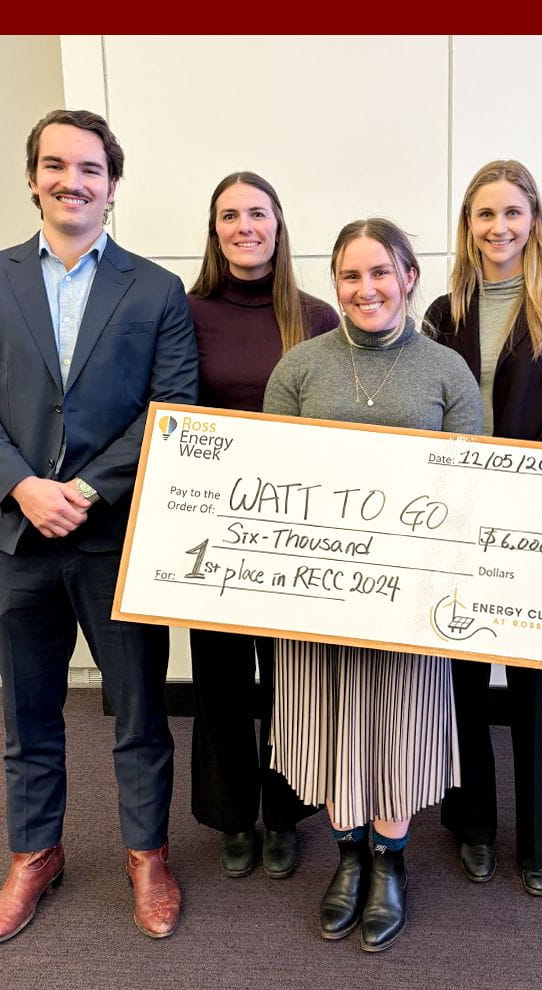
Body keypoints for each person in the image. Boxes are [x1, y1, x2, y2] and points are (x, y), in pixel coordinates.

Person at [0, 109, 199, 944]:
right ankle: (34, 855)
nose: (71, 181)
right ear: (32, 178)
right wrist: (23, 487)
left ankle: (147, 855)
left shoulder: (155, 291)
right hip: (17, 533)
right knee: (29, 711)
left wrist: (82, 489)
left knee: (139, 711)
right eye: (55, 165)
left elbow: (171, 407)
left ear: (112, 186)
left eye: (90, 169)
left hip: (114, 534)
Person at [263, 218, 482, 952]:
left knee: (400, 723)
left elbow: (472, 487)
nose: (366, 289)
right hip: (318, 590)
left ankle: (389, 860)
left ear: (409, 277)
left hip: (412, 597)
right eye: (350, 276)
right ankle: (348, 855)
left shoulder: (448, 371)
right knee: (326, 721)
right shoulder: (298, 368)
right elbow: (268, 480)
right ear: (335, 284)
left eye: (380, 273)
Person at [424, 160, 542, 897]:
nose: (499, 227)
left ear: (533, 220)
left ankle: (541, 840)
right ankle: (473, 827)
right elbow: (429, 411)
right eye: (485, 214)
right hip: (455, 515)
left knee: (537, 687)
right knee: (459, 679)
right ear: (468, 225)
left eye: (512, 213)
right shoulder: (442, 311)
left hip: (532, 518)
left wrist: (513, 496)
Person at [186, 172, 337, 879]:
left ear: (278, 225)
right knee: (218, 676)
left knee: (288, 676)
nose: (244, 226)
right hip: (212, 526)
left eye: (257, 213)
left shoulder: (317, 317)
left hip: (294, 528)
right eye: (229, 215)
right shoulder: (184, 314)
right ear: (214, 230)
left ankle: (284, 813)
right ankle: (231, 816)